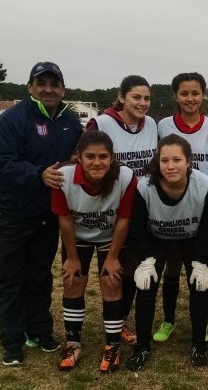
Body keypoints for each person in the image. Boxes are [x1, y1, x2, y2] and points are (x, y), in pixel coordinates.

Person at [0, 61, 81, 366]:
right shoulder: (12, 120)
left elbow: (71, 157)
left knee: (40, 275)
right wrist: (38, 174)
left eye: (54, 84)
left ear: (63, 89)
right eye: (41, 83)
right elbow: (3, 163)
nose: (48, 89)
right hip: (11, 212)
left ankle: (39, 331)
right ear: (30, 87)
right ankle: (12, 342)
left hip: (47, 213)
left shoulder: (70, 120)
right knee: (11, 278)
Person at [127, 134, 208, 371]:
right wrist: (146, 259)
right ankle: (142, 346)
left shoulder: (205, 183)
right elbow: (137, 228)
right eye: (164, 160)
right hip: (156, 237)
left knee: (200, 283)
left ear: (189, 161)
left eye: (177, 159)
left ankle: (198, 343)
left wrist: (201, 261)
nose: (170, 166)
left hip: (192, 236)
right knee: (145, 284)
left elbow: (207, 227)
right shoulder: (144, 186)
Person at [51, 131, 137, 372]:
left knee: (111, 281)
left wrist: (111, 258)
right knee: (73, 280)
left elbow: (123, 220)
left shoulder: (126, 177)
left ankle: (111, 347)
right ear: (79, 157)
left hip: (111, 236)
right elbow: (65, 220)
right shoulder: (63, 178)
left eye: (103, 156)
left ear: (112, 158)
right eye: (90, 156)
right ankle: (73, 344)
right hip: (77, 237)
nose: (96, 162)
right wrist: (72, 258)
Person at [86, 75, 158, 345]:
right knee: (115, 269)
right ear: (122, 97)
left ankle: (123, 318)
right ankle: (117, 321)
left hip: (144, 207)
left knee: (136, 266)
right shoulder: (101, 123)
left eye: (147, 98)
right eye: (136, 97)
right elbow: (85, 158)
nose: (142, 103)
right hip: (111, 208)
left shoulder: (150, 124)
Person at [154, 72, 208, 344]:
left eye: (195, 93)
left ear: (204, 94)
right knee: (171, 268)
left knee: (198, 268)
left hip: (201, 208)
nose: (190, 99)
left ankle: (200, 323)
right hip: (169, 209)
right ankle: (168, 320)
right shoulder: (164, 126)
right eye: (184, 93)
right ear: (176, 96)